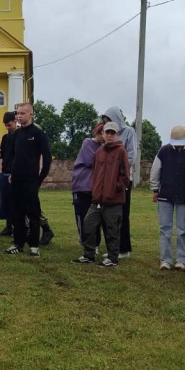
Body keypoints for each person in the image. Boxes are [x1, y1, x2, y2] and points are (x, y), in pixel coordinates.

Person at [73, 122, 130, 268]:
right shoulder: (99, 152)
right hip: (97, 198)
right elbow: (96, 173)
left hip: (113, 199)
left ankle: (112, 258)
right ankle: (89, 255)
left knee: (112, 230)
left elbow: (125, 176)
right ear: (103, 134)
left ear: (116, 134)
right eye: (107, 132)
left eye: (112, 133)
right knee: (88, 224)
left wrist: (115, 188)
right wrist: (96, 191)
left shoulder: (121, 151)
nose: (109, 135)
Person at [5, 102, 51, 257]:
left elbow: (47, 157)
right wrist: (11, 173)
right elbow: (14, 156)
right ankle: (18, 243)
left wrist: (40, 177)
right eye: (17, 113)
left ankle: (34, 246)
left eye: (22, 113)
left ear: (31, 114)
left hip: (31, 180)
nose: (19, 116)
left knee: (33, 213)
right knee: (17, 213)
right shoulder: (16, 134)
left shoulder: (37, 133)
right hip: (16, 180)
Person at [150, 125, 185, 271]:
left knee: (184, 229)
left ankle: (183, 260)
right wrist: (155, 189)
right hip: (165, 195)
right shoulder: (163, 151)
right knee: (165, 229)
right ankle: (165, 260)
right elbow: (156, 171)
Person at [101, 107, 139, 258]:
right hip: (107, 180)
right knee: (108, 215)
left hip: (122, 180)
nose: (107, 125)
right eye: (105, 123)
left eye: (109, 121)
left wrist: (118, 169)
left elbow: (132, 155)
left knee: (122, 215)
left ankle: (124, 248)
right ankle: (113, 247)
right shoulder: (107, 136)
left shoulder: (129, 132)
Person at [72, 124, 104, 246]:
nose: (104, 136)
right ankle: (86, 243)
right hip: (82, 186)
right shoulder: (87, 143)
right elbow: (91, 161)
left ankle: (94, 244)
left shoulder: (104, 147)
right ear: (98, 132)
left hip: (95, 188)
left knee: (96, 217)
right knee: (82, 215)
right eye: (102, 133)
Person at [0, 111, 16, 236]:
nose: (7, 128)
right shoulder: (5, 138)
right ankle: (8, 226)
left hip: (15, 173)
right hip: (5, 172)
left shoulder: (20, 136)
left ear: (15, 122)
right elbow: (2, 156)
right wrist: (0, 172)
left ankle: (17, 226)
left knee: (15, 202)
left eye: (9, 125)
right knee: (6, 201)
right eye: (6, 126)